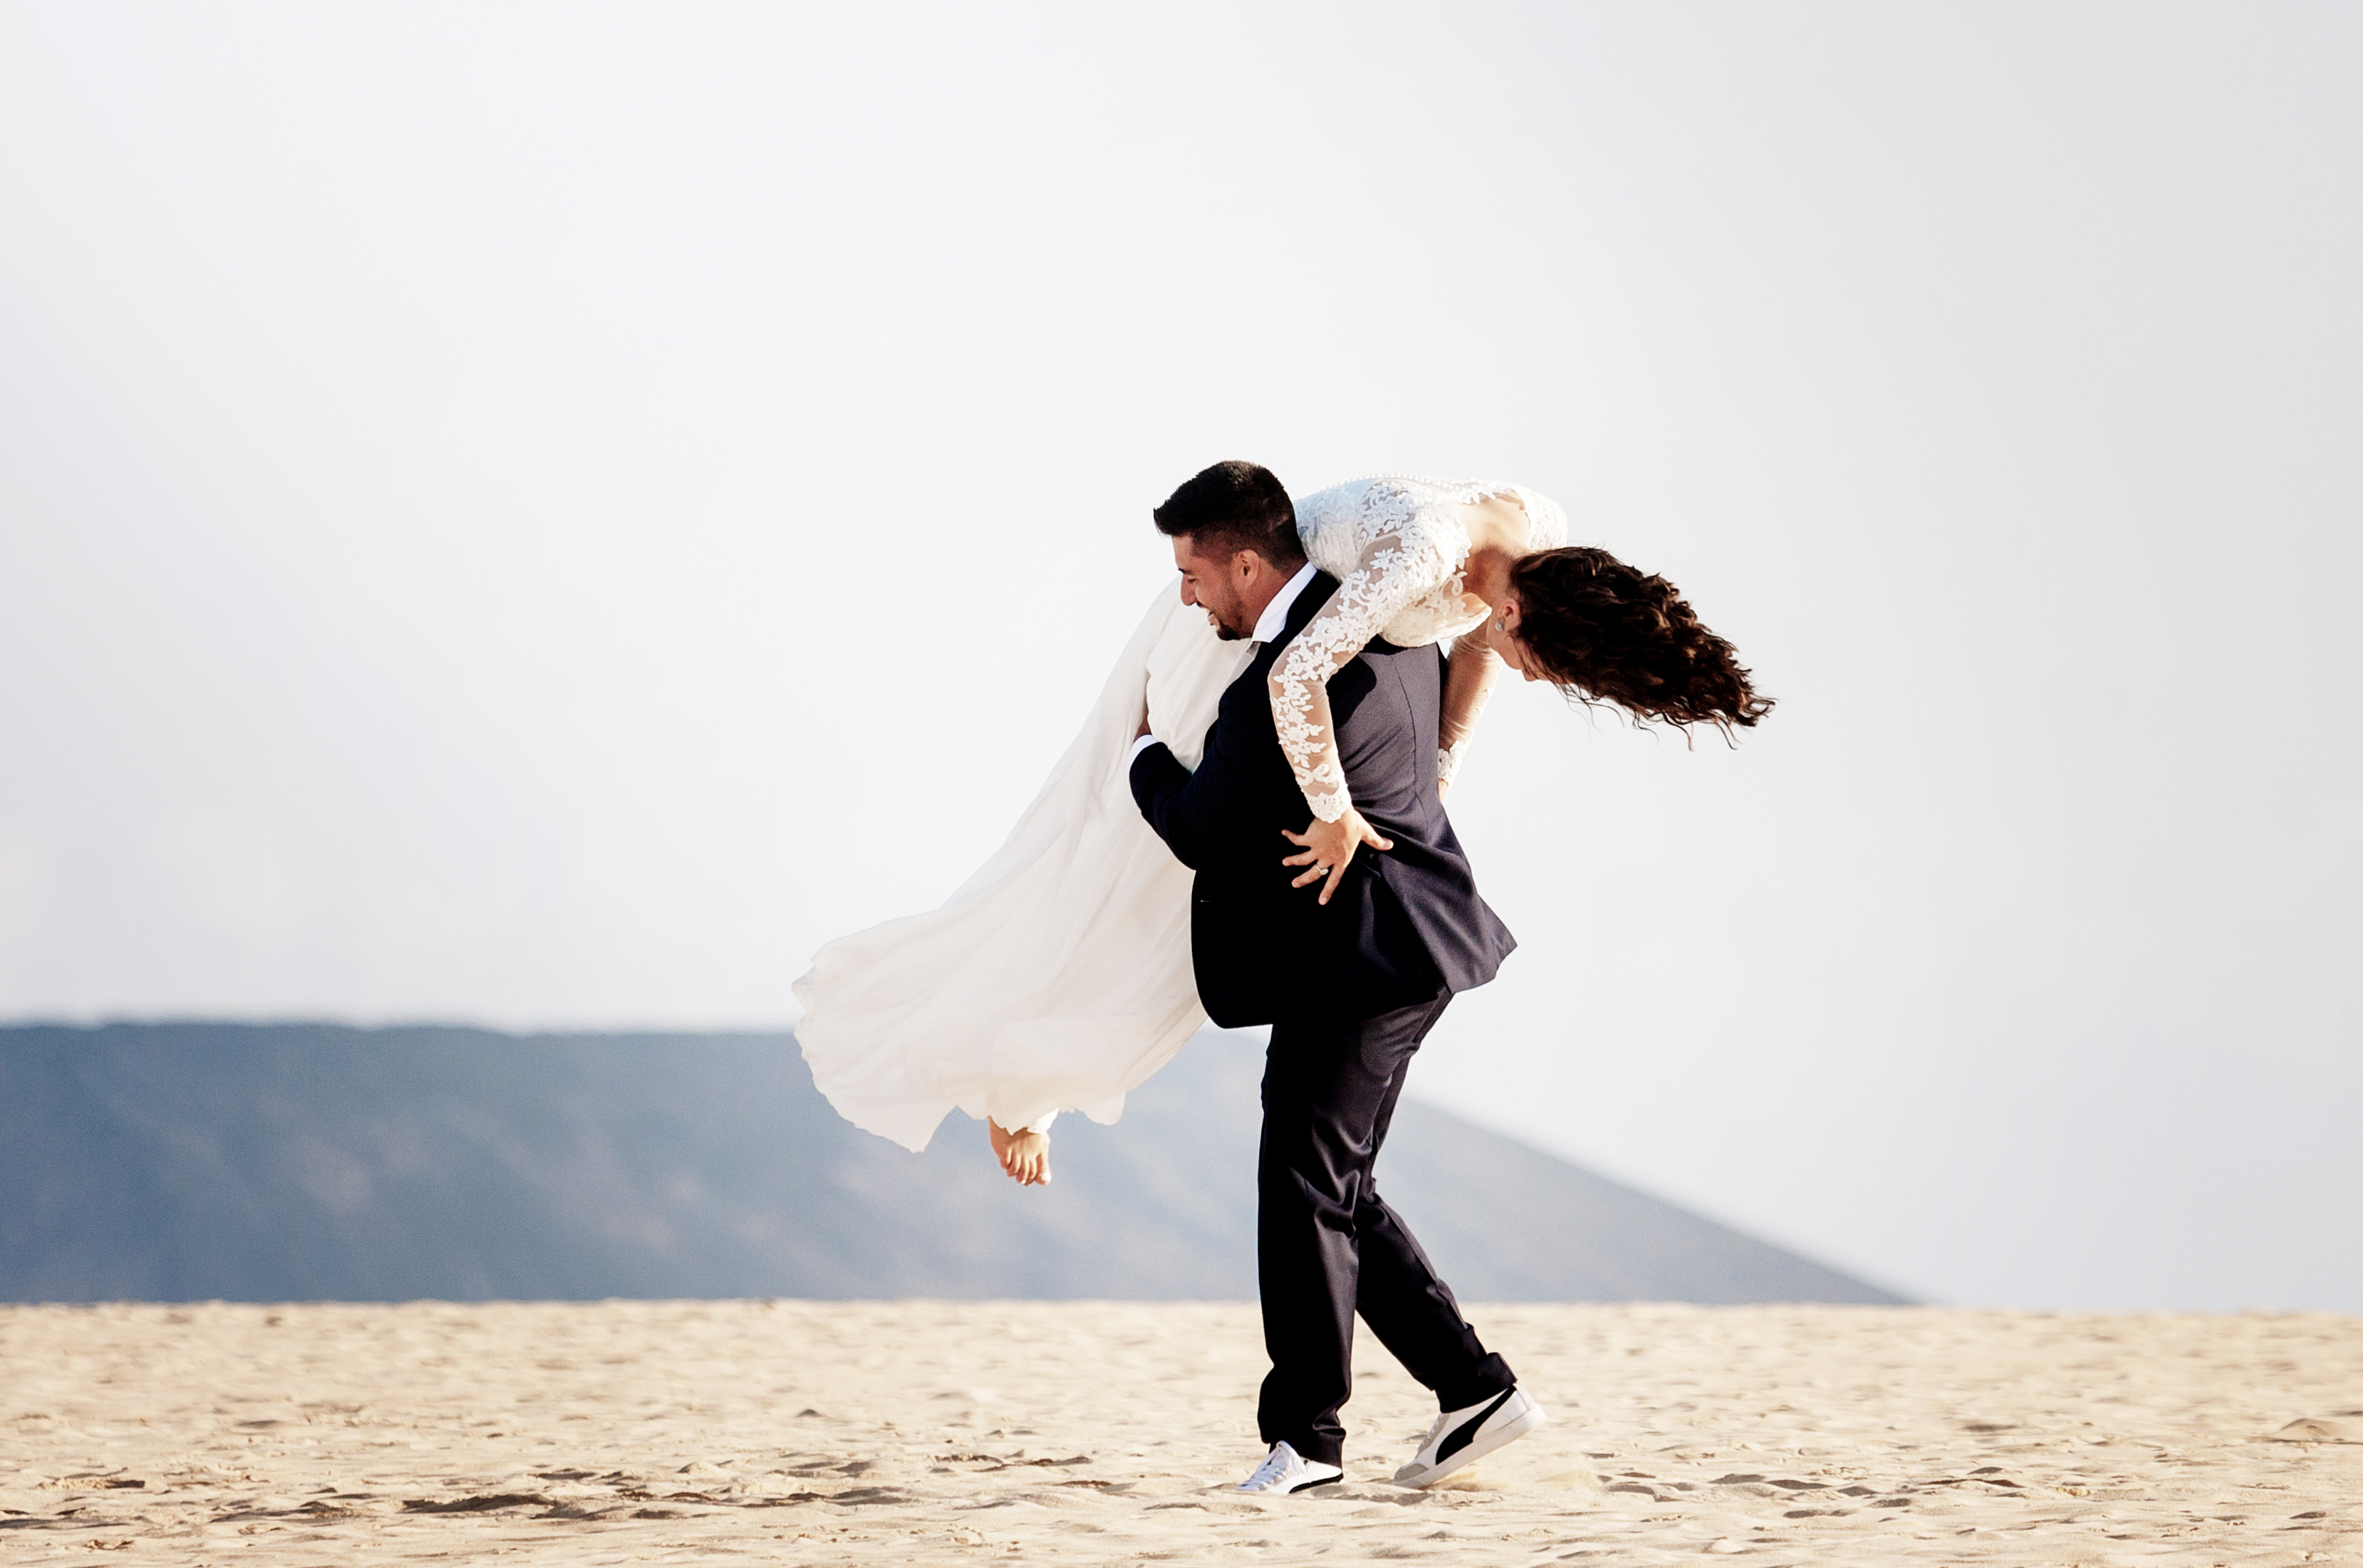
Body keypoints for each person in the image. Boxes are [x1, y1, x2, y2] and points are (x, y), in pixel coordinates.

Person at [792, 463, 1770, 1187]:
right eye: (1544, 665)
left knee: (1207, 894)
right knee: (1141, 858)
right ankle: (1023, 1082)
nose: (1535, 675)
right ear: (1518, 611)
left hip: (1301, 639)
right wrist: (1338, 814)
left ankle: (1035, 1078)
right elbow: (1296, 671)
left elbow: (1473, 653)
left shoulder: (1533, 539)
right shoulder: (1426, 554)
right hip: (1235, 629)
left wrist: (1433, 781)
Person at [1124, 468, 1540, 1490]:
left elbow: (1196, 827)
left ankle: (1307, 1438)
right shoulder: (1397, 632)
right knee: (1333, 1185)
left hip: (1367, 959)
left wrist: (1140, 752)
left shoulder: (1288, 680)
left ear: (1248, 564)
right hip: (1399, 945)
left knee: (1303, 1186)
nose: (1185, 599)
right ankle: (1474, 1391)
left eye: (1192, 576)